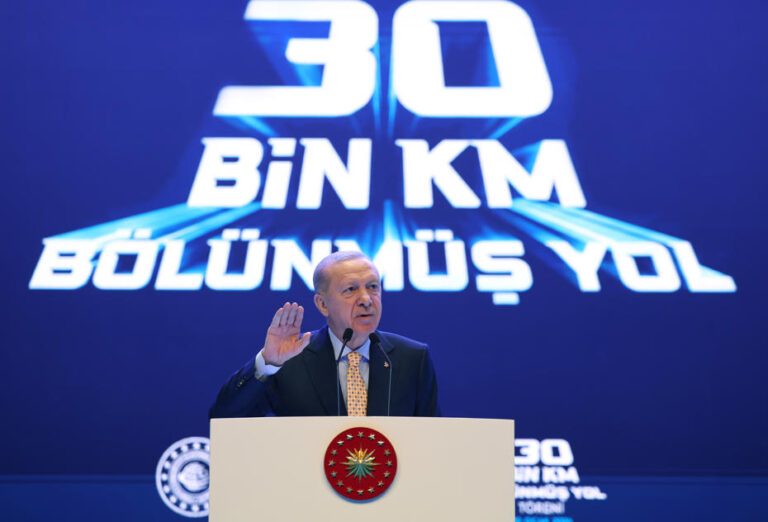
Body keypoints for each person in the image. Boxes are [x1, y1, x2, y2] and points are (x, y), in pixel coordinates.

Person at [209, 251, 440, 418]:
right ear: (322, 304)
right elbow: (223, 417)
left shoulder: (412, 358)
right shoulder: (290, 359)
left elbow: (433, 437)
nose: (366, 299)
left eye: (373, 287)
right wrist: (267, 363)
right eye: (351, 289)